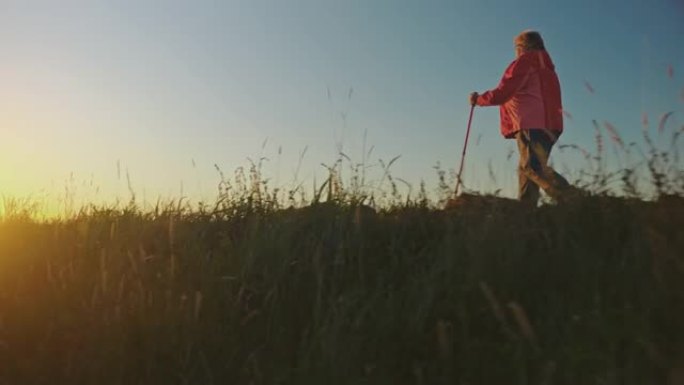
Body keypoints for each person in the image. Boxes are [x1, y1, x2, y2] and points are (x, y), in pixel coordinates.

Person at [469, 30, 573, 205]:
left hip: (532, 125)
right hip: (552, 125)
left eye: (516, 47)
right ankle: (526, 214)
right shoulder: (547, 70)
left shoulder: (525, 62)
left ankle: (574, 200)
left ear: (523, 46)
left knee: (532, 167)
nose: (515, 51)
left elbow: (503, 93)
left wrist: (478, 100)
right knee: (526, 171)